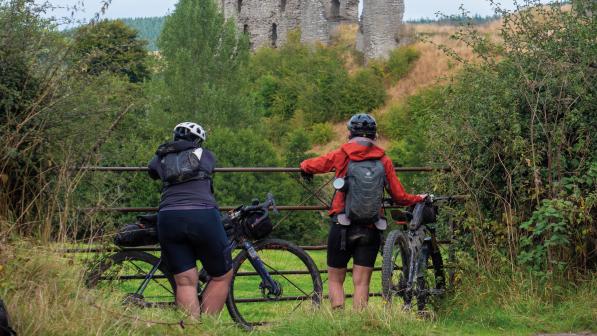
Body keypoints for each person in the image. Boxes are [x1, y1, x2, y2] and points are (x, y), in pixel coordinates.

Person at [299, 113, 425, 310]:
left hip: (342, 224)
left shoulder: (343, 154)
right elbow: (399, 196)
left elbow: (315, 164)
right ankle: (359, 324)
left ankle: (339, 323)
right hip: (371, 227)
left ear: (350, 133)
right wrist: (418, 198)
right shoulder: (384, 160)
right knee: (362, 282)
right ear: (374, 136)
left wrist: (303, 167)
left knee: (335, 279)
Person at [148, 122, 233, 317]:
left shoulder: (161, 157)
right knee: (221, 275)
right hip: (202, 215)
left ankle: (191, 330)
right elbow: (210, 167)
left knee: (185, 280)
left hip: (169, 217)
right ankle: (208, 328)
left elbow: (151, 170)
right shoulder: (206, 155)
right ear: (199, 141)